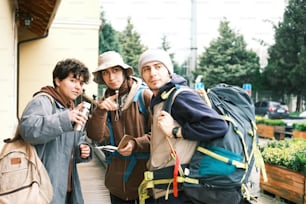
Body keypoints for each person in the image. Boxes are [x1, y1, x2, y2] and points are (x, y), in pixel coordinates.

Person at [138, 49, 229, 203]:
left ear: (169, 71)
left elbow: (218, 125)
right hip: (165, 187)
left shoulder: (180, 96)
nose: (152, 73)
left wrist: (176, 131)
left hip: (178, 192)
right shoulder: (159, 99)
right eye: (146, 69)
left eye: (158, 66)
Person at [19, 58, 93, 204]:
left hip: (66, 186)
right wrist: (65, 118)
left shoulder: (69, 107)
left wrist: (83, 150)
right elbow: (28, 129)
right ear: (58, 80)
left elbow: (71, 145)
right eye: (73, 80)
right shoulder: (42, 101)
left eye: (81, 83)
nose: (78, 87)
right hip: (43, 186)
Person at [86, 51, 152, 204]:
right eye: (105, 72)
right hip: (115, 182)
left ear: (124, 72)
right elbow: (96, 136)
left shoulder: (145, 96)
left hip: (144, 181)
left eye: (115, 70)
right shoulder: (105, 102)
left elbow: (159, 137)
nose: (111, 77)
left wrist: (135, 144)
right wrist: (100, 111)